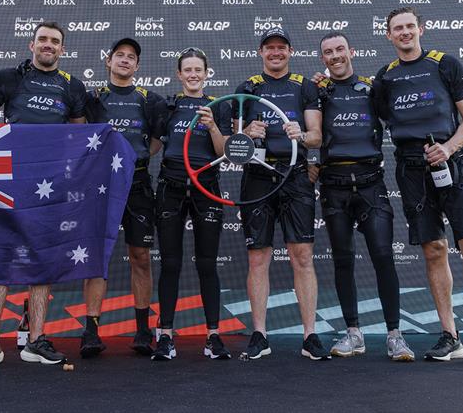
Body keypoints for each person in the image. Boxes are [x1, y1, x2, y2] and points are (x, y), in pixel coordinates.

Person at [374, 7, 463, 368]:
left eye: (410, 26)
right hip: (411, 170)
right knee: (434, 250)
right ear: (388, 36)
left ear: (421, 29)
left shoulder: (445, 64)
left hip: (454, 162)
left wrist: (449, 147)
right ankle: (449, 336)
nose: (405, 33)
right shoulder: (384, 79)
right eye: (397, 29)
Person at [0, 21, 88, 369]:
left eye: (55, 42)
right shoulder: (9, 79)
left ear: (62, 50)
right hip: (6, 179)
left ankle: (36, 340)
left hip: (48, 185)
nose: (48, 45)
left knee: (42, 257)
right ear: (32, 45)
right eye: (43, 40)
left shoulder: (72, 87)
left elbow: (79, 141)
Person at [311, 31, 414, 361]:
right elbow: (305, 132)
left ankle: (394, 335)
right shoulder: (317, 92)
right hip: (333, 185)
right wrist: (310, 164)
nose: (335, 55)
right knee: (343, 260)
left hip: (371, 183)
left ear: (351, 51)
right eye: (328, 52)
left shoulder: (373, 88)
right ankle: (353, 333)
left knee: (383, 255)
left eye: (340, 49)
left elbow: (404, 116)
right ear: (323, 59)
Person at [233, 27, 329, 360]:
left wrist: (300, 134)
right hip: (258, 177)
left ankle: (310, 335)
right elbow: (235, 148)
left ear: (290, 52)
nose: (276, 52)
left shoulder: (304, 86)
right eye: (269, 48)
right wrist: (247, 132)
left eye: (281, 47)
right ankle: (259, 334)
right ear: (261, 52)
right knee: (258, 257)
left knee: (302, 256)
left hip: (295, 176)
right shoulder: (247, 88)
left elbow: (316, 136)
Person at [82, 38, 167, 357]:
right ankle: (90, 331)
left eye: (132, 57)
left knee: (141, 257)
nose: (125, 60)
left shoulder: (150, 100)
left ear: (138, 65)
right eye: (120, 55)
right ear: (108, 61)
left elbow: (156, 141)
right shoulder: (93, 98)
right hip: (101, 184)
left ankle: (143, 330)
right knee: (96, 257)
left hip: (138, 183)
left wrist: (134, 160)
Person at [151, 48, 232, 361]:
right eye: (188, 70)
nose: (194, 74)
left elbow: (225, 151)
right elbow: (154, 146)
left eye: (199, 69)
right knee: (170, 263)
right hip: (171, 186)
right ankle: (166, 336)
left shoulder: (219, 107)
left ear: (207, 73)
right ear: (179, 74)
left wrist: (212, 125)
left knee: (207, 263)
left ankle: (213, 336)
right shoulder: (167, 106)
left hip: (206, 188)